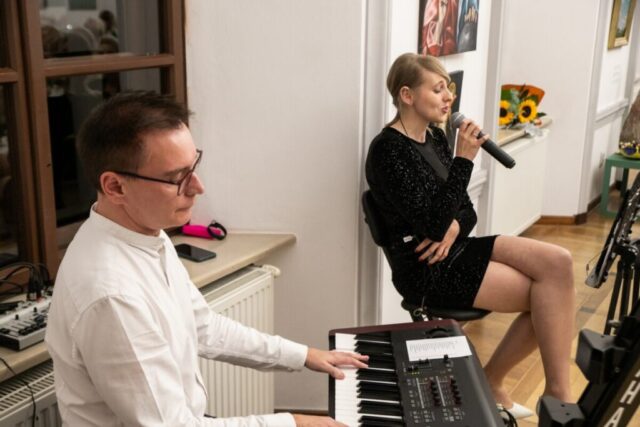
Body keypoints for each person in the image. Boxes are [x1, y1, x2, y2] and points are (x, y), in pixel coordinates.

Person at [45, 91, 368, 426]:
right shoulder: (111, 295)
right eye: (176, 178)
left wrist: (303, 356)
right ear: (115, 187)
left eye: (194, 167)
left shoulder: (146, 233)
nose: (197, 187)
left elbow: (205, 327)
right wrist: (295, 423)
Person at [365, 53, 575, 419]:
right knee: (546, 298)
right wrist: (464, 161)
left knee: (558, 262)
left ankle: (542, 390)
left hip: (454, 247)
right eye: (438, 89)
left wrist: (453, 227)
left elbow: (466, 210)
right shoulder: (388, 150)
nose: (449, 97)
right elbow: (431, 225)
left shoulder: (434, 136)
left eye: (449, 88)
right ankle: (546, 396)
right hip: (425, 267)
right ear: (407, 95)